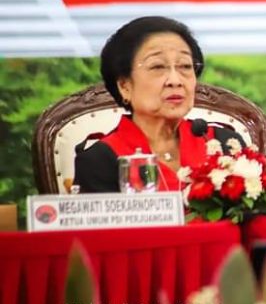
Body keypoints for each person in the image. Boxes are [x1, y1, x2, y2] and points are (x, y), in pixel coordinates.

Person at [74, 16, 245, 193]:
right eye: (157, 67)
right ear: (125, 86)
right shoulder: (100, 160)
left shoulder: (223, 143)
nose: (175, 80)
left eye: (185, 66)